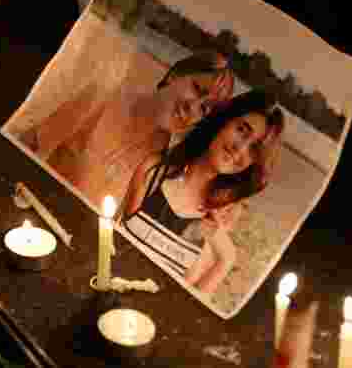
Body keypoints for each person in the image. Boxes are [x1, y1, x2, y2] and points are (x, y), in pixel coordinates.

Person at [121, 89, 283, 295]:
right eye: (242, 130)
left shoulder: (213, 224)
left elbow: (181, 303)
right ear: (223, 121)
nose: (240, 148)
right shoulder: (153, 171)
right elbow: (117, 244)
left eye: (253, 149)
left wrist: (225, 260)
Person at [25, 50, 235, 208]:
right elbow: (29, 146)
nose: (192, 107)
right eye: (197, 88)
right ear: (175, 74)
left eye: (204, 109)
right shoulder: (104, 96)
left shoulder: (162, 161)